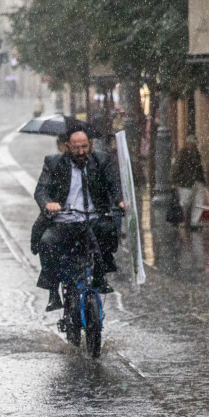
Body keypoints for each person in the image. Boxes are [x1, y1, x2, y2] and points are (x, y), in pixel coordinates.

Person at [34, 126, 125, 311]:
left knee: (107, 232)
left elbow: (113, 183)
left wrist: (120, 200)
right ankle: (53, 293)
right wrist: (48, 204)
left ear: (89, 145)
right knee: (47, 243)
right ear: (67, 146)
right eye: (76, 148)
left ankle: (100, 275)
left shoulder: (101, 161)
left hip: (93, 219)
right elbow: (41, 190)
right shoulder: (54, 163)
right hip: (64, 220)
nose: (81, 151)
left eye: (84, 146)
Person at [171, 135, 207, 231]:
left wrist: (202, 180)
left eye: (194, 144)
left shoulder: (197, 154)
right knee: (184, 202)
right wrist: (175, 180)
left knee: (199, 202)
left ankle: (194, 223)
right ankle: (181, 220)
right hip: (186, 183)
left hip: (197, 182)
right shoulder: (182, 154)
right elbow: (177, 168)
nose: (193, 146)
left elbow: (199, 168)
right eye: (192, 144)